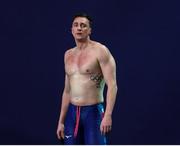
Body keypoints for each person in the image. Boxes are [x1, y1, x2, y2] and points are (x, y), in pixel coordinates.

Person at [56, 13, 117, 145]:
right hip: (72, 114)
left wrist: (107, 115)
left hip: (93, 112)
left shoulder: (100, 51)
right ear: (71, 30)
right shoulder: (68, 54)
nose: (79, 28)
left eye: (83, 26)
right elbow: (67, 91)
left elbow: (112, 85)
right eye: (76, 25)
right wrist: (61, 121)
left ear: (89, 30)